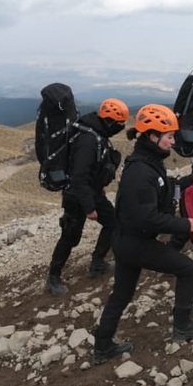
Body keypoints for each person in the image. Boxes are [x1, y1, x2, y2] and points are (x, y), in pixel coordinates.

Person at [93, 104, 193, 364]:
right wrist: (184, 225)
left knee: (122, 294)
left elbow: (160, 191)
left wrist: (186, 181)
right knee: (188, 269)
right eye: (169, 136)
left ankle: (102, 345)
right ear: (152, 136)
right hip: (135, 243)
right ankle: (183, 326)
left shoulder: (147, 163)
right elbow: (145, 216)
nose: (173, 141)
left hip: (127, 242)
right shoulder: (140, 171)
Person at [46, 98, 130, 296]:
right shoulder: (88, 141)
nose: (121, 128)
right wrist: (89, 207)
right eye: (119, 124)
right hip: (77, 196)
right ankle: (53, 277)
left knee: (113, 223)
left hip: (92, 192)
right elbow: (79, 176)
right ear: (109, 121)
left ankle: (98, 263)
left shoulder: (97, 133)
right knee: (70, 237)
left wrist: (98, 189)